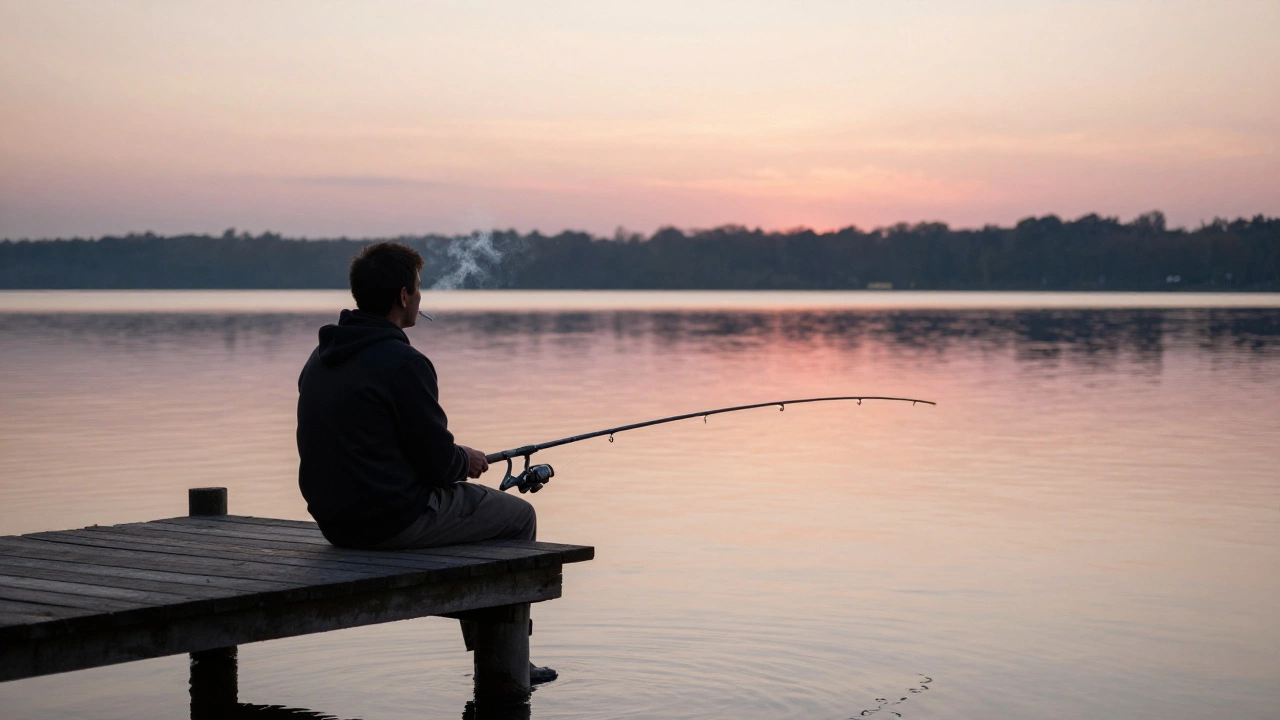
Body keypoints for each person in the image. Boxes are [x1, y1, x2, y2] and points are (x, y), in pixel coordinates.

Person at [296, 241, 555, 683]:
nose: (420, 298)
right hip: (389, 521)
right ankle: (506, 659)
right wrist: (465, 460)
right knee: (516, 518)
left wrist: (450, 460)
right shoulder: (404, 362)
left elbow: (380, 447)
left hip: (336, 523)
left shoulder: (320, 357)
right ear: (402, 296)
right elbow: (437, 463)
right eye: (417, 288)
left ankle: (491, 646)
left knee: (478, 513)